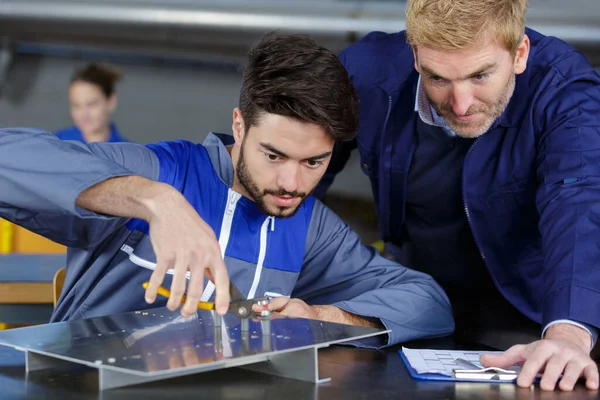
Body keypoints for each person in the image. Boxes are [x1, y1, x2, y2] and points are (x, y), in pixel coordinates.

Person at [0, 33, 454, 349]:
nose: (291, 184)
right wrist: (155, 201)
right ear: (240, 125)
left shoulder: (308, 227)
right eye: (273, 155)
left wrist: (326, 318)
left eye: (314, 162)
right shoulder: (163, 170)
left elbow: (428, 302)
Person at [316, 0, 600, 391]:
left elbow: (580, 203)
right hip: (413, 298)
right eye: (437, 79)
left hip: (526, 313)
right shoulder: (364, 73)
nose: (461, 104)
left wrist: (567, 336)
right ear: (415, 55)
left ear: (519, 54)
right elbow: (293, 172)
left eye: (480, 76)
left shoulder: (564, 92)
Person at [55, 63, 128, 143]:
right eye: (76, 105)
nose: (84, 115)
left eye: (91, 104)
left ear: (111, 102)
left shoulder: (128, 153)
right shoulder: (56, 144)